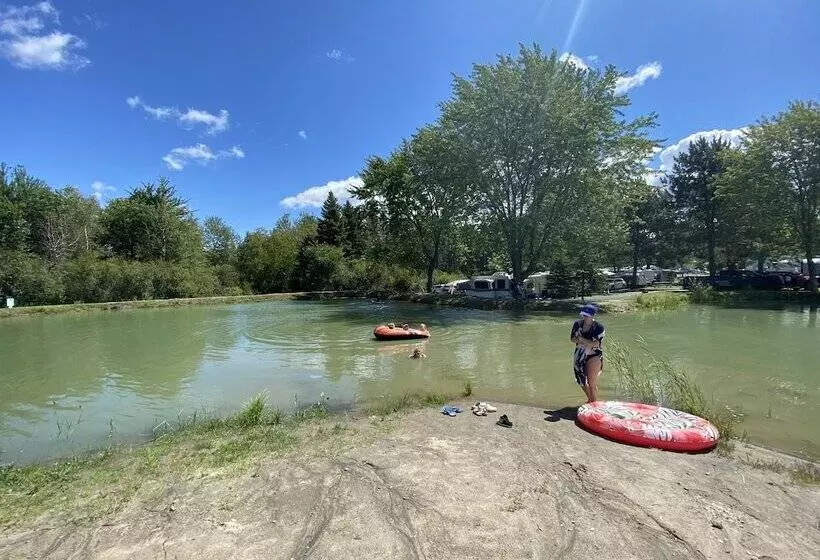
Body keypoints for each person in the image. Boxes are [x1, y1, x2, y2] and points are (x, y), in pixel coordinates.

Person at [570, 303, 605, 403]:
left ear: (592, 316)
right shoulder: (577, 324)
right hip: (579, 356)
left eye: (586, 315)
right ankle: (591, 400)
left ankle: (594, 403)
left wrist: (580, 338)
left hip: (594, 356)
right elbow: (572, 339)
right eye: (583, 315)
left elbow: (596, 344)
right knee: (580, 381)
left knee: (591, 383)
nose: (584, 317)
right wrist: (587, 342)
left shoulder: (599, 327)